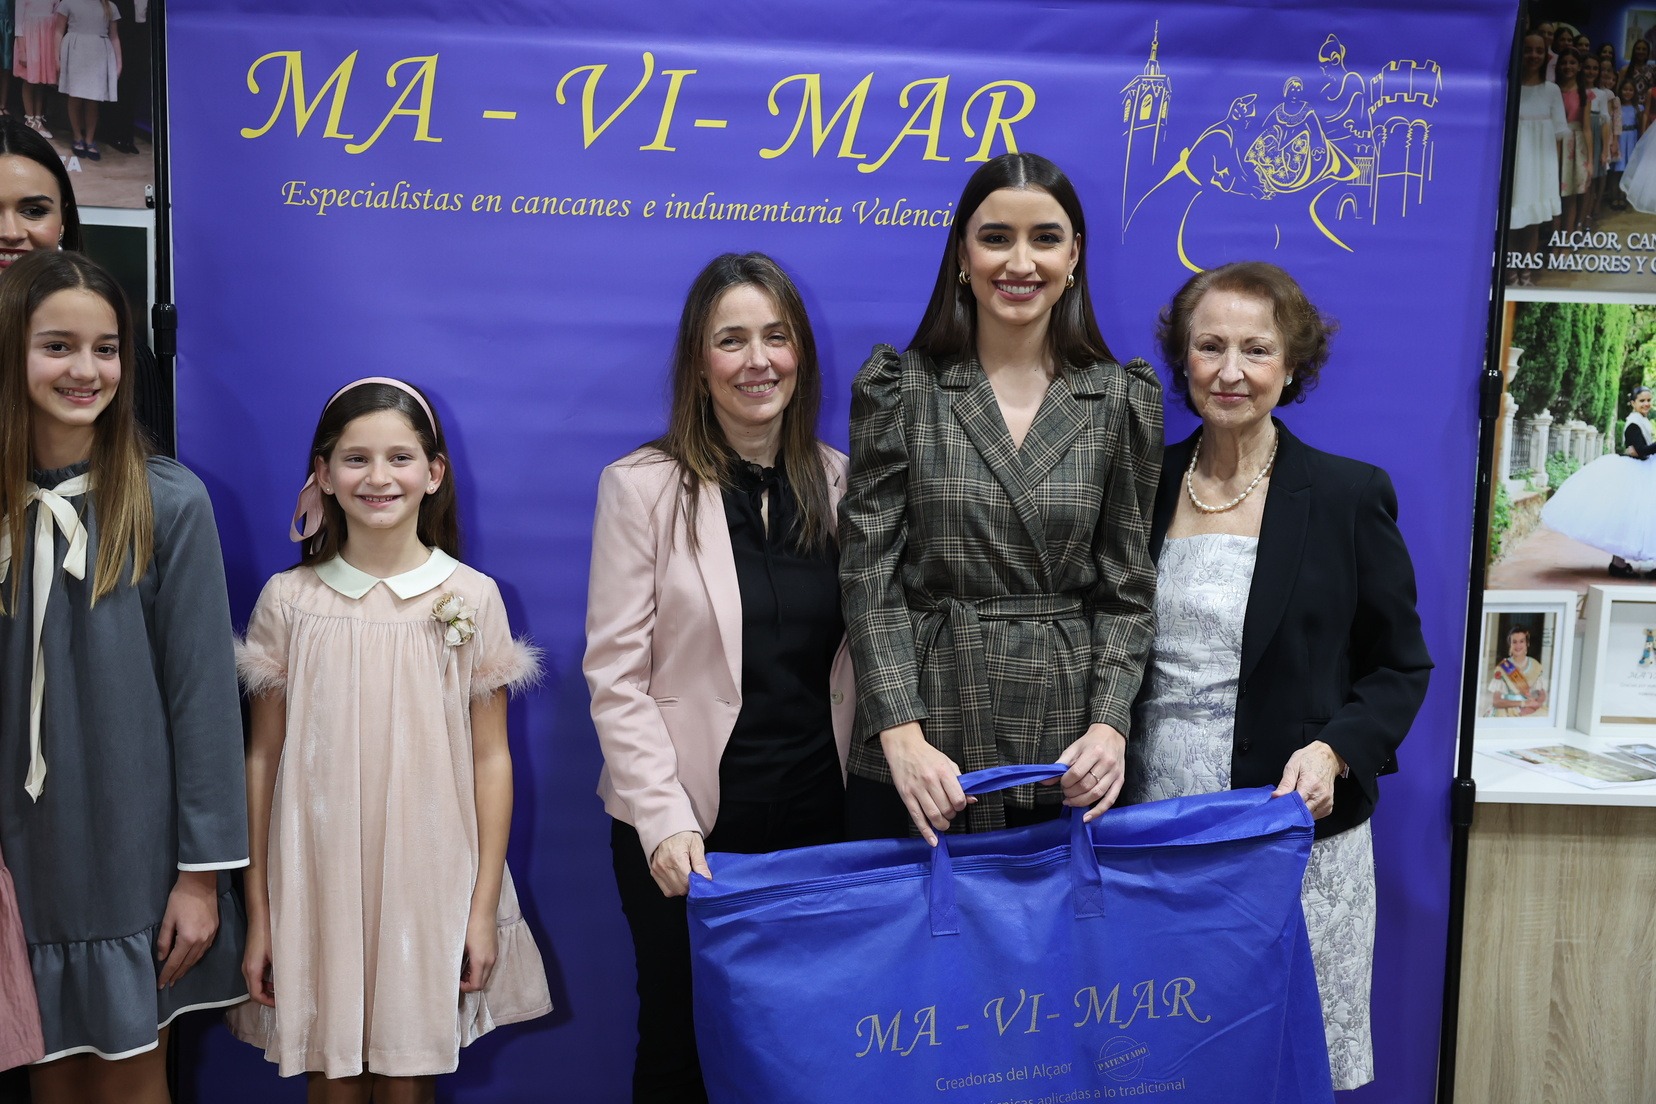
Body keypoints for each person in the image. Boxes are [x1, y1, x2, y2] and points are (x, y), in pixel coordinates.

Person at [1127, 261, 1431, 1092]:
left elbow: (1400, 664)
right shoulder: (1138, 485)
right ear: (1183, 360)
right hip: (1154, 834)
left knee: (1286, 1072)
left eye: (1255, 349)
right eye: (1210, 347)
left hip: (1294, 836)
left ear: (1291, 365)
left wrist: (1336, 751)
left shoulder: (1346, 495)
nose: (1230, 371)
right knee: (1164, 1067)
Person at [227, 378, 551, 1098]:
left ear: (434, 473)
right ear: (323, 474)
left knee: (408, 1075)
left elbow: (492, 758)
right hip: (314, 880)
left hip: (429, 884)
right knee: (330, 1075)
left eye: (400, 458)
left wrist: (481, 909)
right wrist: (261, 913)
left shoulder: (471, 598)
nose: (378, 477)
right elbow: (262, 758)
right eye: (356, 459)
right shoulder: (290, 602)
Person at [585, 252, 855, 1103]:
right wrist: (664, 822)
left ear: (801, 353)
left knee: (801, 1047)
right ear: (699, 365)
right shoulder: (641, 488)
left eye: (776, 336)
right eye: (731, 340)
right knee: (681, 1045)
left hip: (817, 821)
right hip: (687, 829)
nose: (757, 360)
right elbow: (616, 676)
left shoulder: (845, 484)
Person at [840, 152, 1162, 844]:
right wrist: (899, 731)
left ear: (1074, 255)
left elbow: (1128, 592)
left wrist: (1109, 725)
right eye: (996, 238)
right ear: (962, 254)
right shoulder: (902, 390)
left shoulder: (1119, 401)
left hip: (1065, 748)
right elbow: (868, 577)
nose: (1021, 262)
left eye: (1045, 238)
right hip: (925, 737)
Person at [0, 248, 249, 1100]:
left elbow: (204, 703)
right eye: (57, 346)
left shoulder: (168, 501)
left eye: (105, 348)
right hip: (22, 852)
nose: (86, 370)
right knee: (45, 1075)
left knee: (130, 1079)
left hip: (131, 856)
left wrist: (201, 877)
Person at [0, 115, 172, 453]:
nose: (11, 232)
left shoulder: (123, 358)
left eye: (33, 211)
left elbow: (147, 473)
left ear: (63, 219)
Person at [1540, 386, 1656, 576]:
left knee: (1637, 517)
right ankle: (1618, 564)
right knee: (1628, 516)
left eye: (1649, 400)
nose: (1646, 404)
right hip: (1635, 472)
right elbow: (1641, 450)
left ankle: (1619, 564)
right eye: (1642, 400)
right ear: (1632, 403)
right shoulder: (1634, 423)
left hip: (1642, 469)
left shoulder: (1642, 421)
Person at [53, 0, 119, 161]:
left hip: (98, 54)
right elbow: (58, 31)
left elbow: (114, 37)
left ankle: (90, 139)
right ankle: (77, 136)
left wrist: (119, 62)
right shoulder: (68, 3)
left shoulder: (110, 6)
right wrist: (56, 58)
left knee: (93, 99)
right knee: (75, 96)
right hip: (76, 52)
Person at [1557, 51, 1594, 234]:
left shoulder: (1584, 94)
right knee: (1555, 194)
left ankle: (1567, 239)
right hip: (1555, 143)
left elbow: (1587, 128)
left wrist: (1590, 161)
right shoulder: (1553, 90)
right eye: (1564, 62)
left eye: (1573, 62)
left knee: (1570, 195)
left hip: (1575, 146)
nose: (1568, 66)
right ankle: (1555, 240)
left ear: (1579, 67)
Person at [11, 0, 56, 139]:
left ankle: (38, 119)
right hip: (30, 40)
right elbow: (19, 23)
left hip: (46, 39)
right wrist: (22, 50)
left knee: (40, 81)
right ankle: (29, 119)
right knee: (29, 79)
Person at [1486, 625, 1547, 718]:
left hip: (1530, 708)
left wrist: (1535, 705)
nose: (1518, 645)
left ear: (1527, 643)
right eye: (1514, 642)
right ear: (1510, 645)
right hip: (1506, 709)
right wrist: (1522, 704)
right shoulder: (1503, 668)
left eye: (1521, 641)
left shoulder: (1536, 666)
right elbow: (1496, 701)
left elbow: (1542, 695)